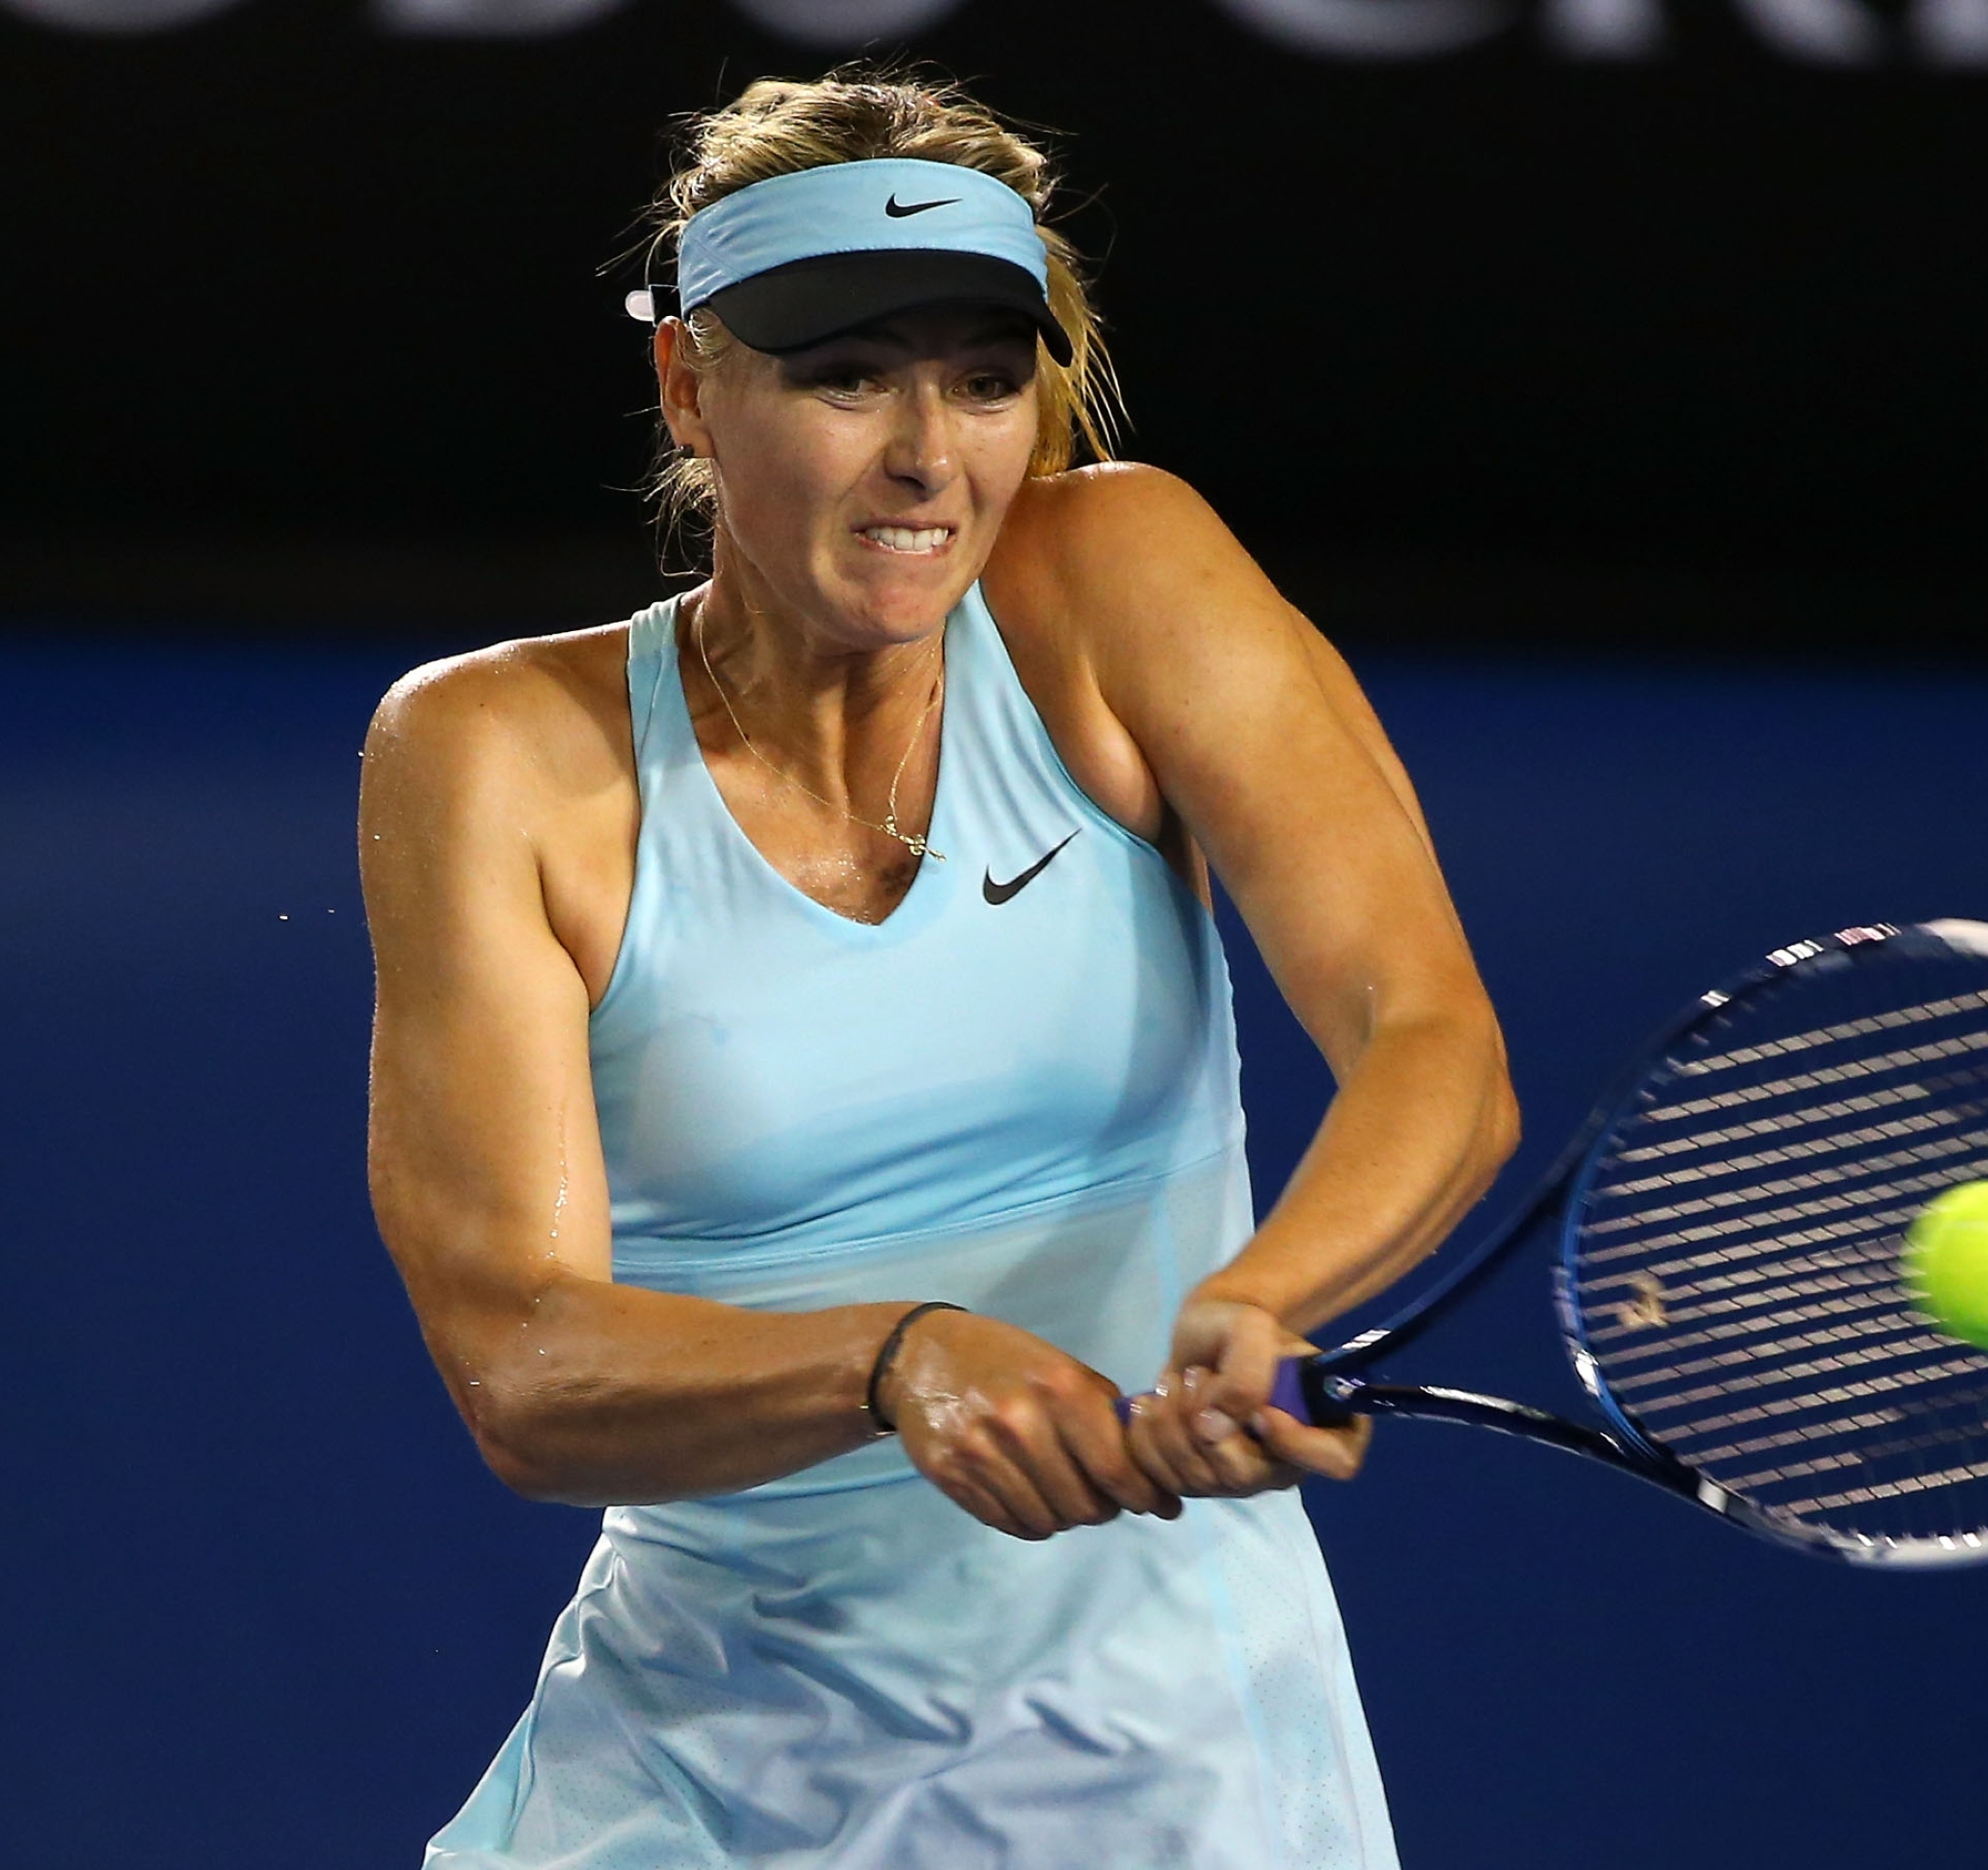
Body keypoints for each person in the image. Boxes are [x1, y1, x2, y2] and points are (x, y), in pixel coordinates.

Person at [360, 70, 1518, 1870]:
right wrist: (894, 1359)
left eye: (986, 380)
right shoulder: (492, 752)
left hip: (1176, 1784)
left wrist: (1262, 1293)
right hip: (687, 1788)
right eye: (846, 378)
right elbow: (521, 1359)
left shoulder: (1117, 577)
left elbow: (1426, 1032)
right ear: (689, 390)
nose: (928, 456)